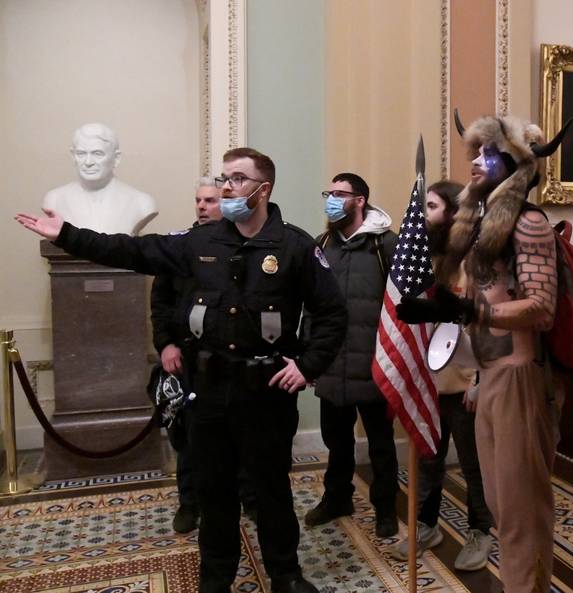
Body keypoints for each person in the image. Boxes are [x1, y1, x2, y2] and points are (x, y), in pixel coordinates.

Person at [17, 147, 347, 593]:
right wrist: (68, 235)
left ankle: (285, 574)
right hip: (208, 392)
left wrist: (308, 366)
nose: (227, 187)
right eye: (224, 178)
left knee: (271, 489)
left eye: (238, 179)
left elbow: (332, 314)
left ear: (263, 189)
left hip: (265, 394)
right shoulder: (199, 243)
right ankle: (216, 578)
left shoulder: (295, 246)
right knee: (214, 492)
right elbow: (133, 251)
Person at [396, 114, 568, 593]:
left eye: (488, 153)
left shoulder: (529, 222)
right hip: (490, 375)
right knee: (499, 506)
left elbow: (541, 309)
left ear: (513, 164)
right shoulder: (480, 228)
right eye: (475, 151)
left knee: (521, 512)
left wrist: (467, 309)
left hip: (521, 378)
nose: (476, 160)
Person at [390, 180, 494, 571]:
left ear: (453, 211)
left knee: (472, 464)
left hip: (464, 379)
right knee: (428, 459)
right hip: (427, 382)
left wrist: (480, 380)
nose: (423, 215)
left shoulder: (476, 259)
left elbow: (486, 323)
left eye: (431, 206)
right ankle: (426, 525)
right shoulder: (424, 259)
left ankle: (480, 531)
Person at [150, 177, 257, 533]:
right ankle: (189, 503)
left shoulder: (245, 246)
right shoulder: (180, 247)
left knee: (243, 434)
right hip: (188, 360)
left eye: (210, 200)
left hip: (235, 361)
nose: (201, 206)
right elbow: (160, 304)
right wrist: (166, 345)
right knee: (189, 437)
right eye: (198, 200)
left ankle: (250, 499)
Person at [303, 172, 400, 538]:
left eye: (340, 194)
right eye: (328, 193)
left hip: (373, 364)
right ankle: (337, 498)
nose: (331, 200)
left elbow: (402, 304)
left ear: (360, 200)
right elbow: (311, 305)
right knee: (337, 440)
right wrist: (308, 355)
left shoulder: (384, 244)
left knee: (380, 444)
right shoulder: (322, 243)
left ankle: (385, 508)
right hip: (331, 363)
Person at [43, 123, 157, 235]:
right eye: (81, 153)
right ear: (73, 156)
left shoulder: (141, 203)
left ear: (116, 158)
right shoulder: (55, 199)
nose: (88, 162)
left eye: (97, 154)